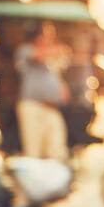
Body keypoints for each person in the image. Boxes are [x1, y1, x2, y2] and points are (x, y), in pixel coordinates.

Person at [14, 22, 71, 160]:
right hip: (32, 106)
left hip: (51, 107)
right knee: (33, 150)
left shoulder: (52, 58)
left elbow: (57, 75)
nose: (49, 38)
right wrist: (59, 50)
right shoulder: (25, 50)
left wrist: (62, 89)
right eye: (45, 35)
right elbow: (39, 56)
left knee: (56, 149)